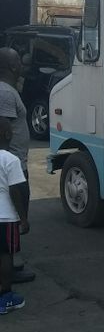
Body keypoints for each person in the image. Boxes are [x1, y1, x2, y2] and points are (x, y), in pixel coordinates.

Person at [0, 47, 35, 283]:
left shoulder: (10, 90)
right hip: (13, 167)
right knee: (14, 216)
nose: (23, 66)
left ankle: (14, 262)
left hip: (15, 164)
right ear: (13, 67)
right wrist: (9, 166)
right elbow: (4, 131)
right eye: (19, 63)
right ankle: (10, 270)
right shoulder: (4, 93)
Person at [0, 117, 29, 314]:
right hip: (6, 217)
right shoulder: (10, 159)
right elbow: (16, 191)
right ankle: (5, 297)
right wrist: (24, 218)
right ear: (7, 134)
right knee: (5, 256)